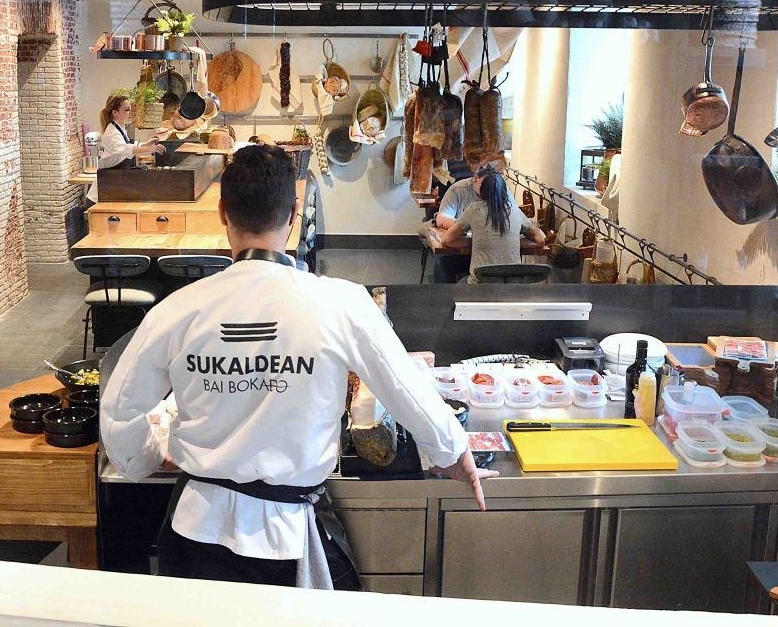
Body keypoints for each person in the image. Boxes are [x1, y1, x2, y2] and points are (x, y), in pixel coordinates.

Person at [99, 144, 495, 590]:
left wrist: (146, 454)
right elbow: (405, 387)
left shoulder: (176, 310)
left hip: (194, 532)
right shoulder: (340, 302)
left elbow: (118, 416)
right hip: (286, 541)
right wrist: (452, 451)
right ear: (292, 213)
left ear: (222, 212)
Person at [427, 166, 546, 283]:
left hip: (481, 283)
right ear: (504, 191)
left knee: (456, 280)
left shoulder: (474, 209)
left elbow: (447, 241)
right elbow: (540, 240)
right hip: (511, 285)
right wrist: (507, 240)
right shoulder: (515, 211)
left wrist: (479, 240)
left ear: (482, 191)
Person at [416, 153, 507, 283]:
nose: (489, 189)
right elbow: (443, 219)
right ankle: (444, 294)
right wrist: (470, 227)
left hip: (490, 247)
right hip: (468, 242)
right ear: (475, 178)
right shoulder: (458, 190)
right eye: (485, 185)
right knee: (444, 257)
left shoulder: (500, 189)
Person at [85, 93, 165, 203]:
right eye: (127, 110)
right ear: (115, 113)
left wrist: (147, 143)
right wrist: (150, 149)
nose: (130, 113)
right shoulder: (112, 133)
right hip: (99, 198)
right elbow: (125, 149)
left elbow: (129, 145)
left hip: (111, 189)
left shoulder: (120, 128)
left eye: (130, 109)